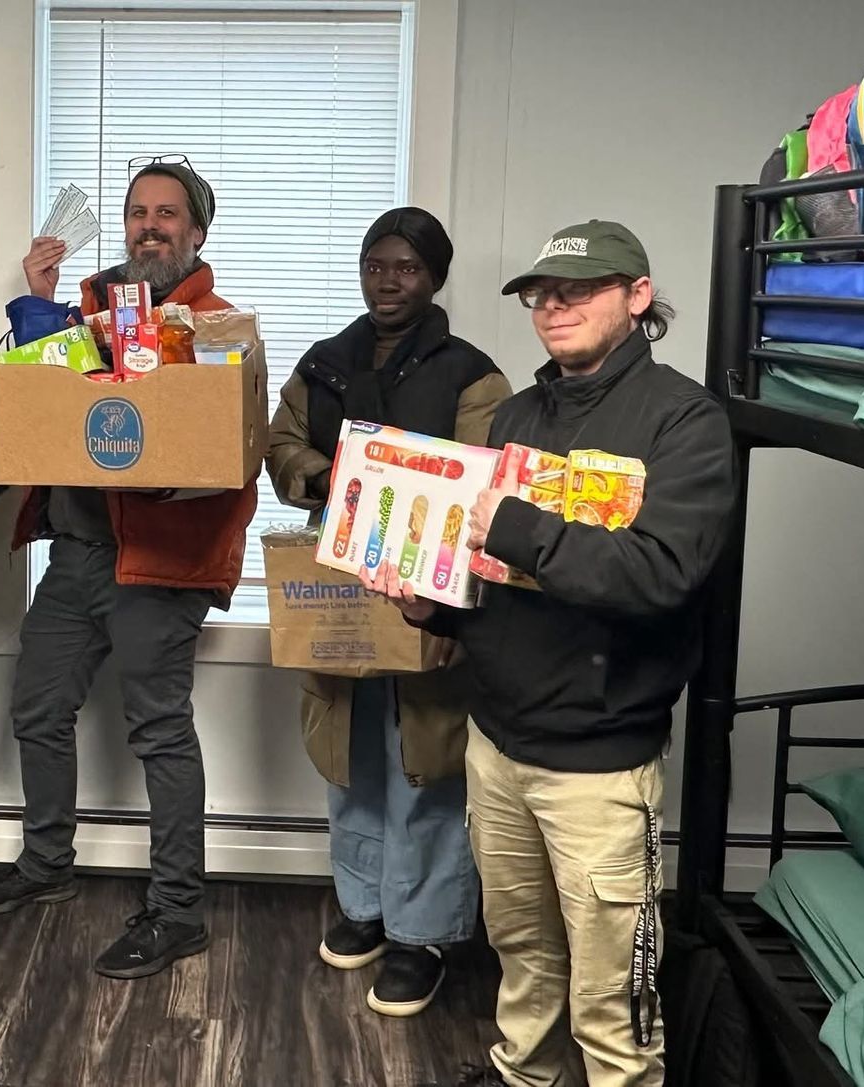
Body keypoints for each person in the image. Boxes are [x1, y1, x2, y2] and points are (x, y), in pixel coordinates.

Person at [366, 221, 737, 1087]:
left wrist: (518, 525)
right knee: (523, 953)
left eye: (579, 288)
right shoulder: (517, 416)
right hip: (494, 742)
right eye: (541, 293)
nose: (554, 306)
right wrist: (439, 605)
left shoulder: (685, 421)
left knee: (614, 998)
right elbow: (492, 573)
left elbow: (661, 574)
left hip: (598, 768)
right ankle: (523, 1075)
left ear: (637, 297)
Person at [0, 158, 256, 981]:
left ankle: (177, 910)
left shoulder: (222, 328)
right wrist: (36, 302)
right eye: (136, 212)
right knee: (38, 708)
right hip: (76, 551)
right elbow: (22, 407)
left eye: (167, 213)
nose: (148, 225)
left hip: (161, 564)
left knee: (160, 730)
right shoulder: (80, 317)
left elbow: (234, 458)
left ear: (197, 231)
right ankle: (47, 862)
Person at [266, 207, 510, 1017]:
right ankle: (364, 907)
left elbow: (484, 484)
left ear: (434, 277)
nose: (387, 279)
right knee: (349, 754)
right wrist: (334, 478)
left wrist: (449, 612)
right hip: (336, 581)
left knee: (423, 764)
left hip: (427, 590)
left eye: (406, 266)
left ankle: (423, 933)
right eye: (376, 263)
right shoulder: (324, 362)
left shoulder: (472, 374)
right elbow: (281, 444)